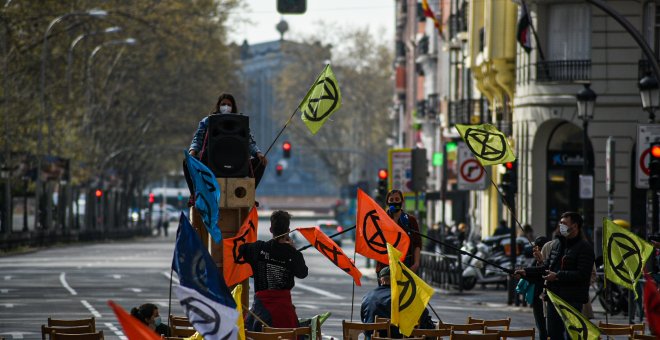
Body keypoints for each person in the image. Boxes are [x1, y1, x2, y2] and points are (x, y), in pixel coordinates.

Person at [514, 212, 594, 340]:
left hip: (572, 301)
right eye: (560, 223)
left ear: (575, 226)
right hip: (553, 299)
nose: (560, 226)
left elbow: (583, 275)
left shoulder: (585, 248)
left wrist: (557, 276)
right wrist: (526, 272)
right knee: (553, 334)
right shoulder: (557, 244)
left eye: (564, 223)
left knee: (571, 336)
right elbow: (546, 267)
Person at [185, 93, 268, 194]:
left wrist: (258, 153)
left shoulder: (240, 122)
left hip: (237, 164)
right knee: (187, 162)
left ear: (233, 107)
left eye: (229, 105)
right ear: (218, 105)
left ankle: (248, 193)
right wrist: (192, 152)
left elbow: (249, 141)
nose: (226, 107)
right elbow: (198, 138)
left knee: (262, 162)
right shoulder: (207, 121)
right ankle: (194, 195)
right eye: (223, 104)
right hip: (211, 163)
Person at [239, 210, 308, 331]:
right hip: (285, 313)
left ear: (271, 229)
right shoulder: (293, 254)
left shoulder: (258, 248)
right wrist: (293, 251)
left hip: (260, 313)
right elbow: (303, 273)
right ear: (288, 230)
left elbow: (241, 249)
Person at [361, 266, 434, 338]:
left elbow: (363, 319)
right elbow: (424, 315)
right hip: (401, 337)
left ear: (380, 280)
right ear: (397, 280)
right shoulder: (407, 297)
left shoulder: (368, 296)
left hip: (374, 336)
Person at [375, 189, 422, 275]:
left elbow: (417, 244)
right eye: (391, 200)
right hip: (384, 268)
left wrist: (416, 264)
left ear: (402, 201)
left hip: (407, 267)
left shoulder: (411, 220)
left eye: (397, 199)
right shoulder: (380, 220)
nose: (394, 202)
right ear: (387, 202)